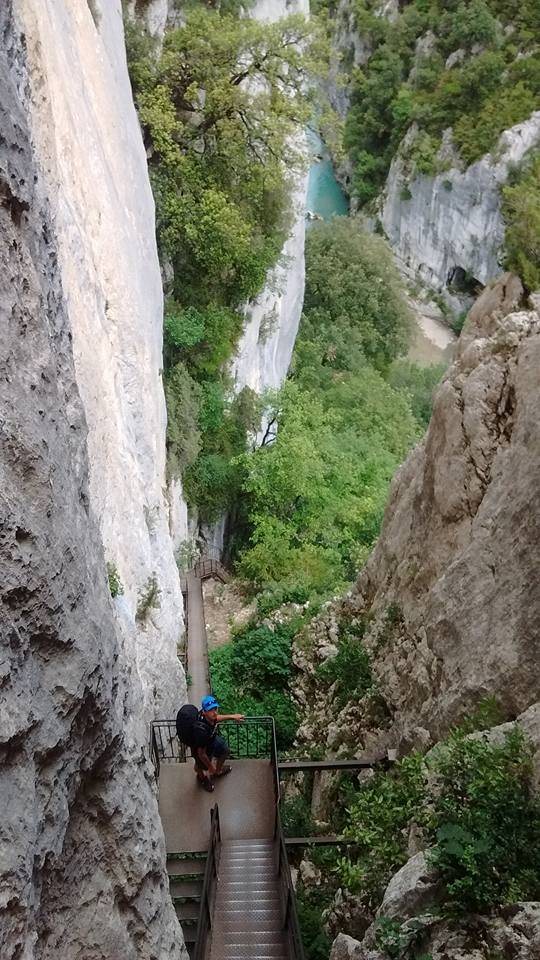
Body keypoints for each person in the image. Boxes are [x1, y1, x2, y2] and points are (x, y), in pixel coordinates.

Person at [192, 695, 245, 793]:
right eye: (211, 710)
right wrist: (210, 767)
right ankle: (202, 778)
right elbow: (201, 753)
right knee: (200, 765)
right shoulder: (201, 730)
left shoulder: (210, 717)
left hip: (210, 740)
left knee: (225, 750)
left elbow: (216, 718)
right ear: (204, 712)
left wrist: (233, 716)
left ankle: (218, 771)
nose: (214, 712)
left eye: (215, 708)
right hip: (201, 747)